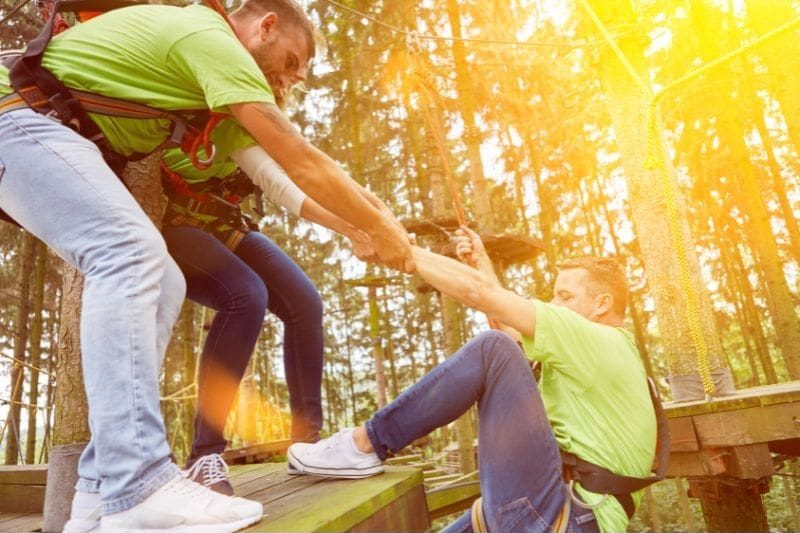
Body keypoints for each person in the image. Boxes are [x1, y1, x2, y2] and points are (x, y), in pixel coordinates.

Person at [0, 0, 412, 530]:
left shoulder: (214, 89)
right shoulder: (206, 35)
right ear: (265, 26)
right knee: (129, 254)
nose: (297, 76)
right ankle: (137, 483)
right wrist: (379, 230)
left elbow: (283, 176)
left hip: (36, 129)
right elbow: (300, 156)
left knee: (163, 276)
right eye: (292, 60)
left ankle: (98, 494)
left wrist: (372, 223)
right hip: (19, 116)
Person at [288, 227, 657, 533]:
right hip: (556, 511)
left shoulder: (598, 340)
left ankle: (365, 444)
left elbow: (487, 306)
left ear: (601, 304)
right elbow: (510, 328)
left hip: (564, 517)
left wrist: (406, 250)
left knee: (492, 348)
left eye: (564, 296)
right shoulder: (607, 355)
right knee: (500, 347)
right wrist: (482, 263)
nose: (554, 305)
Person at [160, 115, 377, 494]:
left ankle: (306, 445)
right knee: (245, 297)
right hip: (172, 224)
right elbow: (282, 188)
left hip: (221, 224)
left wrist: (369, 209)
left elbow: (309, 172)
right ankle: (203, 454)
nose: (290, 80)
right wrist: (353, 229)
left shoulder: (269, 123)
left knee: (304, 304)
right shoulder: (232, 117)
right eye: (287, 66)